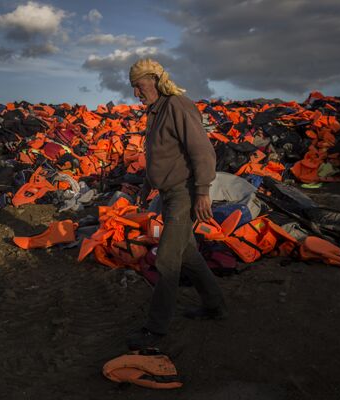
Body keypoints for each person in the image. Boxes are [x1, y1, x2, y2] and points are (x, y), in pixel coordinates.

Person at [126, 59, 226, 350]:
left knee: (167, 260)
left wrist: (203, 191)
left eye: (139, 86)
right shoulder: (155, 112)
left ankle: (154, 331)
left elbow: (202, 150)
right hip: (167, 193)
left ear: (155, 79)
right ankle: (216, 306)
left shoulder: (177, 105)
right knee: (188, 255)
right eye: (133, 88)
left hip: (184, 194)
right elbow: (158, 155)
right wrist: (146, 186)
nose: (136, 93)